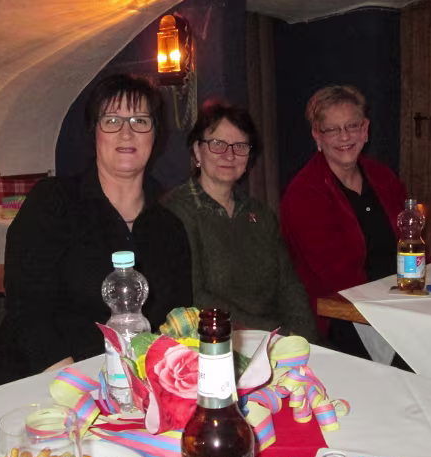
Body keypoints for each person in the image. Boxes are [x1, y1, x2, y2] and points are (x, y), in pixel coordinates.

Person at [0, 74, 192, 385]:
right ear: (94, 132)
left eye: (140, 120)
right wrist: (78, 387)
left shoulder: (170, 227)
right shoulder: (53, 202)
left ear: (156, 135)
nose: (126, 132)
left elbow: (175, 321)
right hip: (46, 380)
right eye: (111, 120)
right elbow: (27, 311)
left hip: (136, 384)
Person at [163, 102, 318, 342]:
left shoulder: (260, 214)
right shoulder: (176, 212)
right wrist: (275, 332)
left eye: (240, 146)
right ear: (197, 151)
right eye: (217, 144)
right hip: (217, 340)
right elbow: (195, 296)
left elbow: (289, 285)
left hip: (278, 339)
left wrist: (304, 337)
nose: (230, 155)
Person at [280, 86, 406, 355]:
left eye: (352, 126)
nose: (345, 136)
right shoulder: (305, 192)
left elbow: (409, 241)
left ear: (365, 128)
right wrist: (399, 301)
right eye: (332, 129)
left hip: (397, 299)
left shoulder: (383, 177)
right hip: (343, 313)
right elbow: (337, 278)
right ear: (317, 135)